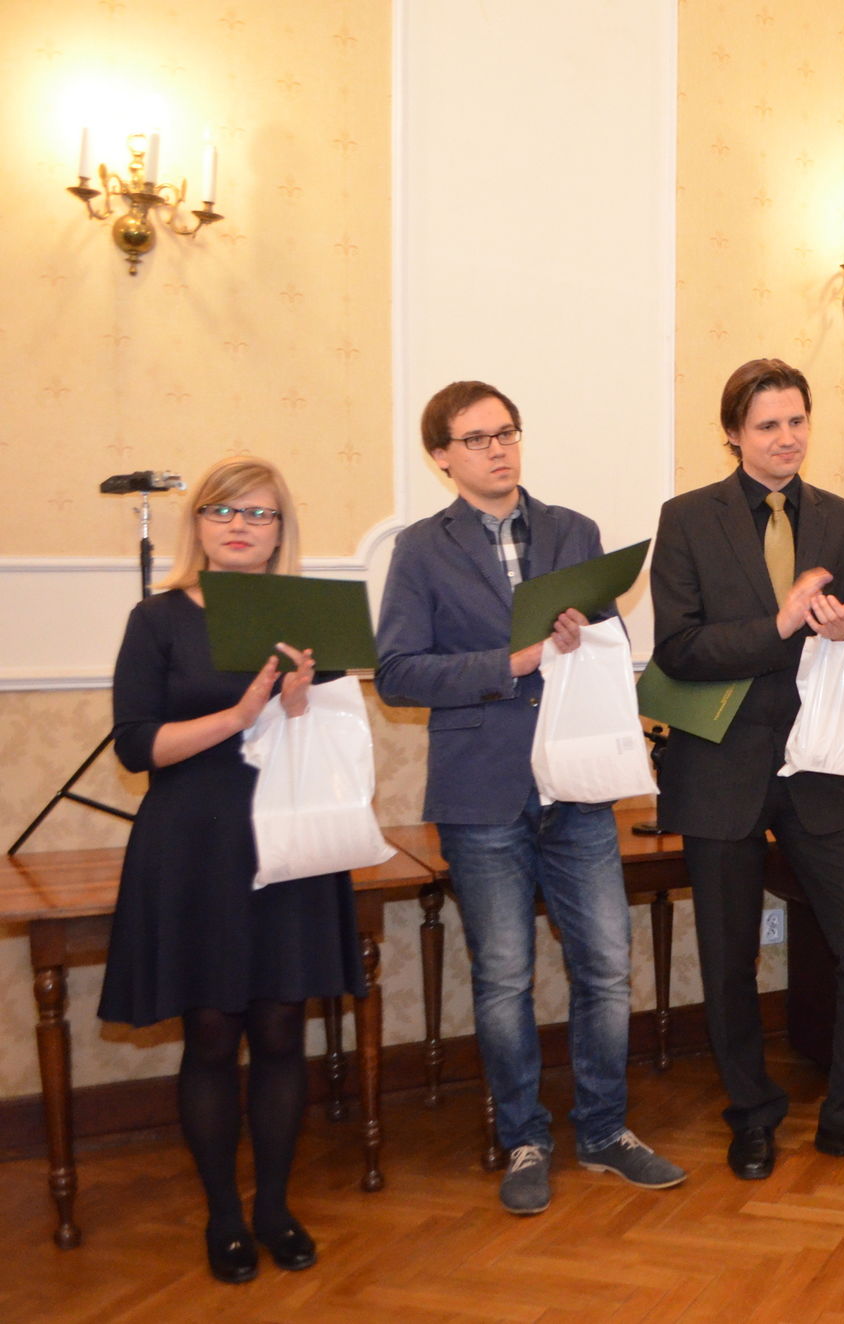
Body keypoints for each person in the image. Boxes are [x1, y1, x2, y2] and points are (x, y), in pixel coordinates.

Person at [377, 381, 683, 1216]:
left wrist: (590, 636)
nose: (498, 449)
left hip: (577, 782)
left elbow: (610, 641)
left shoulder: (573, 531)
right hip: (481, 792)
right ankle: (524, 1139)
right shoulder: (420, 549)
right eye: (477, 439)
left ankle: (605, 1130)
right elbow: (398, 673)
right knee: (505, 977)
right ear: (442, 457)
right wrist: (508, 664)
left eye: (506, 432)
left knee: (607, 966)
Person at [99, 457, 364, 1283]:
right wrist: (242, 713)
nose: (240, 525)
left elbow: (337, 735)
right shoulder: (158, 618)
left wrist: (299, 704)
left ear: (281, 530)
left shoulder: (308, 617)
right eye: (223, 511)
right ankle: (223, 1215)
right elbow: (137, 746)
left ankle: (275, 1208)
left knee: (282, 1028)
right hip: (195, 846)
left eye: (259, 512)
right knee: (212, 1033)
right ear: (199, 525)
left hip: (288, 839)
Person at [650, 358, 844, 1180]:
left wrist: (843, 629)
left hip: (819, 761)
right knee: (729, 957)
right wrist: (779, 624)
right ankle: (753, 1115)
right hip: (718, 763)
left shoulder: (842, 518)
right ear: (733, 434)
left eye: (797, 421)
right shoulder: (686, 518)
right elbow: (679, 648)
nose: (787, 438)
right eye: (768, 425)